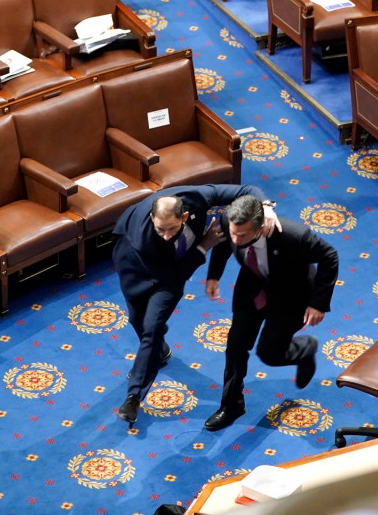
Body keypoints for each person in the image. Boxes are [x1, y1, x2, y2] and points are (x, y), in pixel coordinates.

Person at [111, 184, 279, 426]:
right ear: (151, 218)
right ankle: (158, 352)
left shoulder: (197, 197)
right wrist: (204, 246)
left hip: (170, 277)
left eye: (172, 228)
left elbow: (247, 189)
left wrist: (266, 206)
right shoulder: (144, 238)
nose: (167, 235)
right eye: (161, 229)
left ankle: (133, 397)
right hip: (135, 266)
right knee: (137, 319)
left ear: (185, 216)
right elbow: (174, 273)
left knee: (152, 327)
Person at [203, 194, 339, 431]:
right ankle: (231, 404)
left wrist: (318, 303)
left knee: (269, 353)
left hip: (291, 298)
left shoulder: (293, 236)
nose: (236, 239)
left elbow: (330, 257)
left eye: (242, 235)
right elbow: (225, 243)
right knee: (235, 347)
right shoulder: (230, 222)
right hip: (253, 290)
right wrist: (214, 275)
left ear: (260, 228)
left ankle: (305, 349)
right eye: (234, 233)